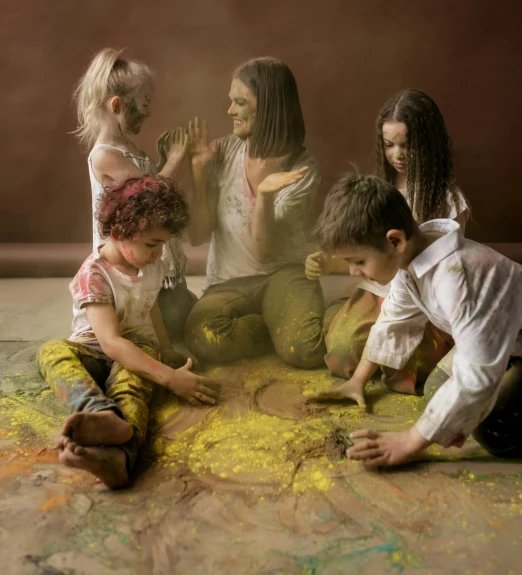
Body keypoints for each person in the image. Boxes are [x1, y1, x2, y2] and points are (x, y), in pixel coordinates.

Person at [309, 173, 522, 467]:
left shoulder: (457, 278)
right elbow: (392, 320)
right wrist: (358, 380)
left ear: (394, 241)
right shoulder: (413, 261)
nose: (352, 272)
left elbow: (477, 373)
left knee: (492, 428)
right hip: (504, 340)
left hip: (514, 344)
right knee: (438, 392)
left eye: (358, 261)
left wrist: (410, 441)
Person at [38, 176, 219, 488]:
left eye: (162, 244)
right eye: (152, 244)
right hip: (94, 350)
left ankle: (118, 459)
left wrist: (164, 348)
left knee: (131, 385)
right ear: (120, 232)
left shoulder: (152, 264)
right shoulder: (93, 274)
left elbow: (151, 306)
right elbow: (109, 342)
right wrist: (170, 378)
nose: (159, 253)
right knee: (50, 351)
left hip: (137, 349)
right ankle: (100, 414)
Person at [307, 89, 469, 393]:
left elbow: (448, 277)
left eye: (408, 146)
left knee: (408, 369)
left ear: (429, 145)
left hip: (423, 302)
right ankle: (350, 322)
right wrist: (330, 263)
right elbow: (361, 254)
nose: (397, 155)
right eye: (389, 145)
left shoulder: (448, 201)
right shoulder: (378, 194)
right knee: (343, 353)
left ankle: (353, 326)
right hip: (377, 290)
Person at [184, 57, 325, 367]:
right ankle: (271, 325)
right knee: (203, 337)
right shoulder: (223, 151)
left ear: (270, 108)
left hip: (283, 274)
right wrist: (199, 171)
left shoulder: (301, 168)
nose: (229, 111)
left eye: (240, 103)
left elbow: (263, 253)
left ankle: (286, 321)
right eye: (231, 102)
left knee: (306, 350)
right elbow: (197, 236)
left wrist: (264, 195)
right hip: (227, 283)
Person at [73, 48, 196, 346]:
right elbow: (151, 197)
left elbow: (154, 183)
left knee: (187, 316)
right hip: (127, 265)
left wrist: (163, 158)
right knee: (154, 322)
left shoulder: (132, 150)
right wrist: (176, 158)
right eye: (144, 103)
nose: (149, 111)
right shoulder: (104, 155)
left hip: (150, 256)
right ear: (117, 105)